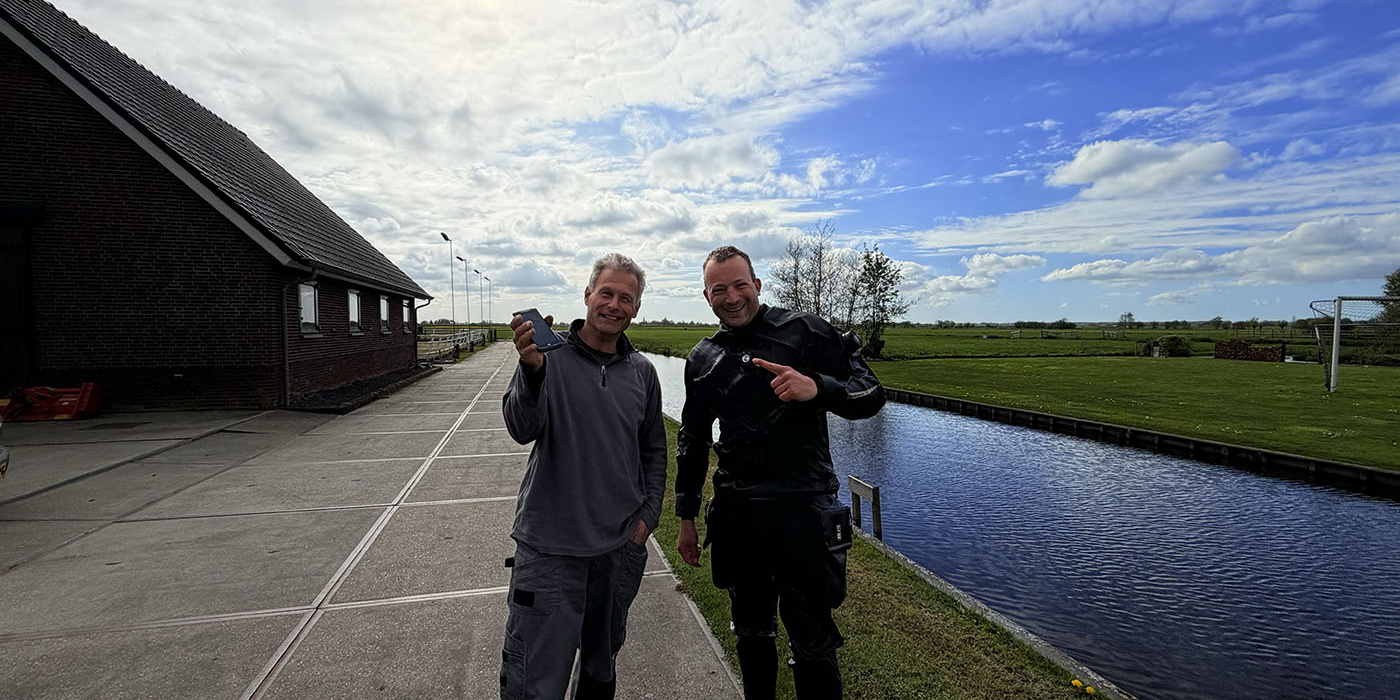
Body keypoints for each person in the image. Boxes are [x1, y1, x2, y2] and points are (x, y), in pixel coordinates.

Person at [675, 245, 885, 700]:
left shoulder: (805, 331)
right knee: (751, 635)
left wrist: (818, 388)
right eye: (719, 289)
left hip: (802, 512)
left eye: (739, 285)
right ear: (706, 296)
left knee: (813, 643)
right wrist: (686, 515)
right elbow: (691, 439)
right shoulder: (703, 358)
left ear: (758, 285)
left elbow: (870, 393)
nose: (731, 297)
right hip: (739, 515)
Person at [499, 253, 666, 700]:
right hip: (550, 553)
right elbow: (521, 428)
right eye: (606, 293)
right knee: (534, 682)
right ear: (588, 294)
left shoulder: (644, 374)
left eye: (626, 298)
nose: (614, 305)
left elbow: (653, 451)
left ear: (636, 308)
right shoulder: (547, 357)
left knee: (600, 670)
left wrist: (647, 519)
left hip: (618, 552)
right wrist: (530, 371)